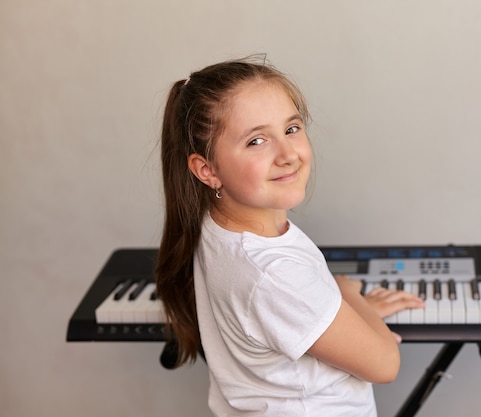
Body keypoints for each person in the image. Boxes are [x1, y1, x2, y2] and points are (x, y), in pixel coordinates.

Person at [155, 56, 424, 416]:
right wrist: (346, 296)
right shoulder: (274, 275)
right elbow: (385, 364)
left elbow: (281, 317)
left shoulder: (216, 224)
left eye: (292, 129)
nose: (287, 155)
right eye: (256, 141)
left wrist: (332, 316)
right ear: (207, 169)